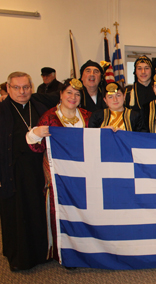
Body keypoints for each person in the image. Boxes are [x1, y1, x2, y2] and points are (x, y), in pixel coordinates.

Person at [26, 78, 91, 262]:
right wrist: (35, 134)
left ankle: (85, 249)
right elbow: (37, 148)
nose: (73, 97)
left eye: (77, 94)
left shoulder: (87, 116)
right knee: (62, 213)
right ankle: (64, 253)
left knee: (83, 212)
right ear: (61, 94)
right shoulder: (49, 118)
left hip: (83, 174)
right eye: (69, 92)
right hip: (59, 178)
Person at [0, 72, 48, 271]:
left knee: (38, 211)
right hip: (12, 171)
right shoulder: (1, 111)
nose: (22, 92)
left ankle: (41, 253)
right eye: (17, 88)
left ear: (32, 87)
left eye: (26, 87)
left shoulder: (40, 107)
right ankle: (19, 258)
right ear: (8, 89)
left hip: (38, 170)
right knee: (17, 214)